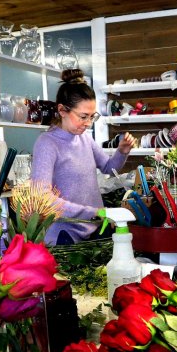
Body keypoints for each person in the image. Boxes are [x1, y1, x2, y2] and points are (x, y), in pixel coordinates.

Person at [31, 69, 136, 245]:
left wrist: (122, 152)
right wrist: (93, 212)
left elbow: (109, 168)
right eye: (82, 117)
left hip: (94, 230)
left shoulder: (85, 138)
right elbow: (43, 198)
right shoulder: (47, 143)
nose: (88, 123)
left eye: (91, 117)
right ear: (62, 110)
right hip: (64, 237)